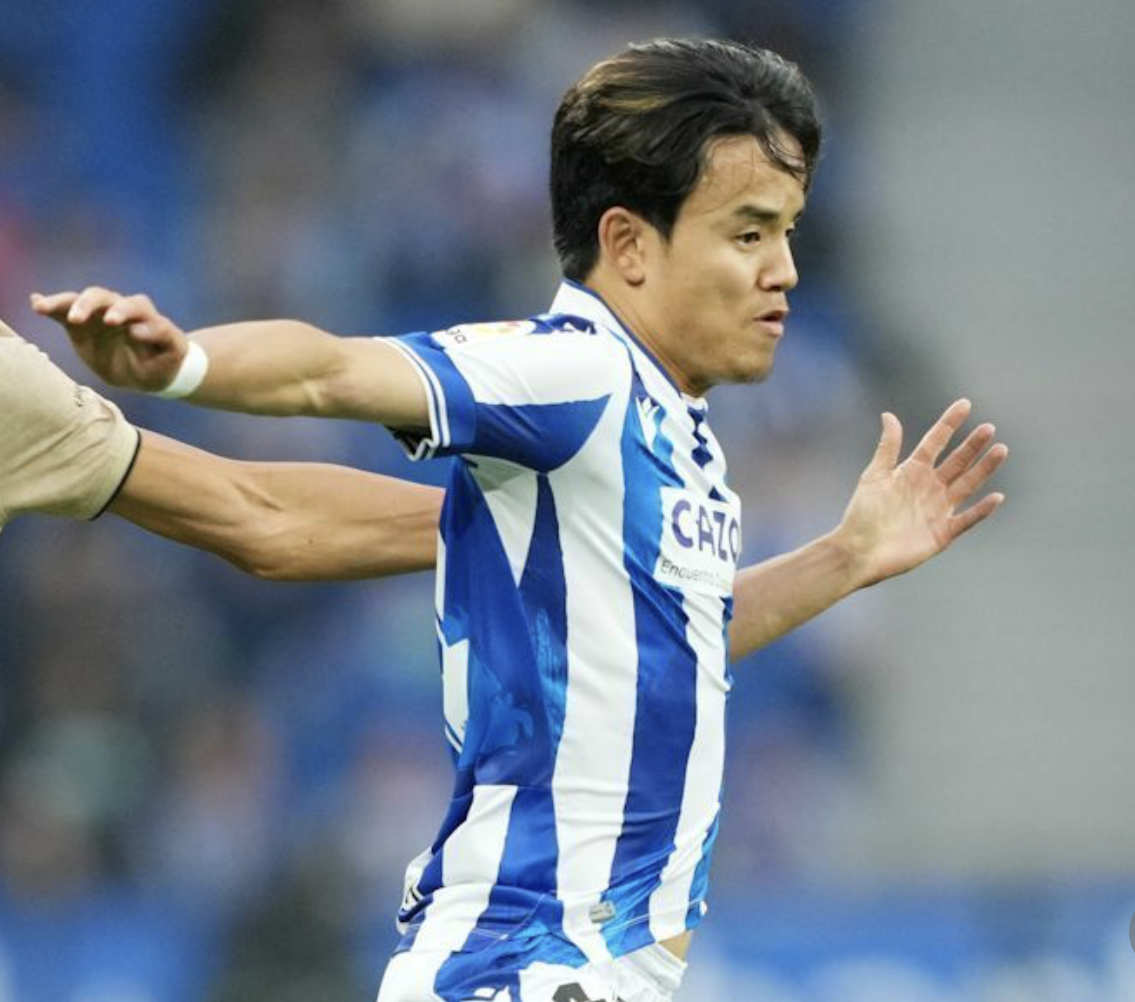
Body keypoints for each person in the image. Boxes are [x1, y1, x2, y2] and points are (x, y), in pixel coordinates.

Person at [24, 37, 1007, 1002]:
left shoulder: (675, 434)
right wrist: (186, 363)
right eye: (748, 234)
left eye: (786, 232)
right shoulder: (575, 371)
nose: (784, 269)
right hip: (525, 968)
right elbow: (336, 369)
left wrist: (845, 557)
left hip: (578, 967)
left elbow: (660, 643)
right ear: (628, 245)